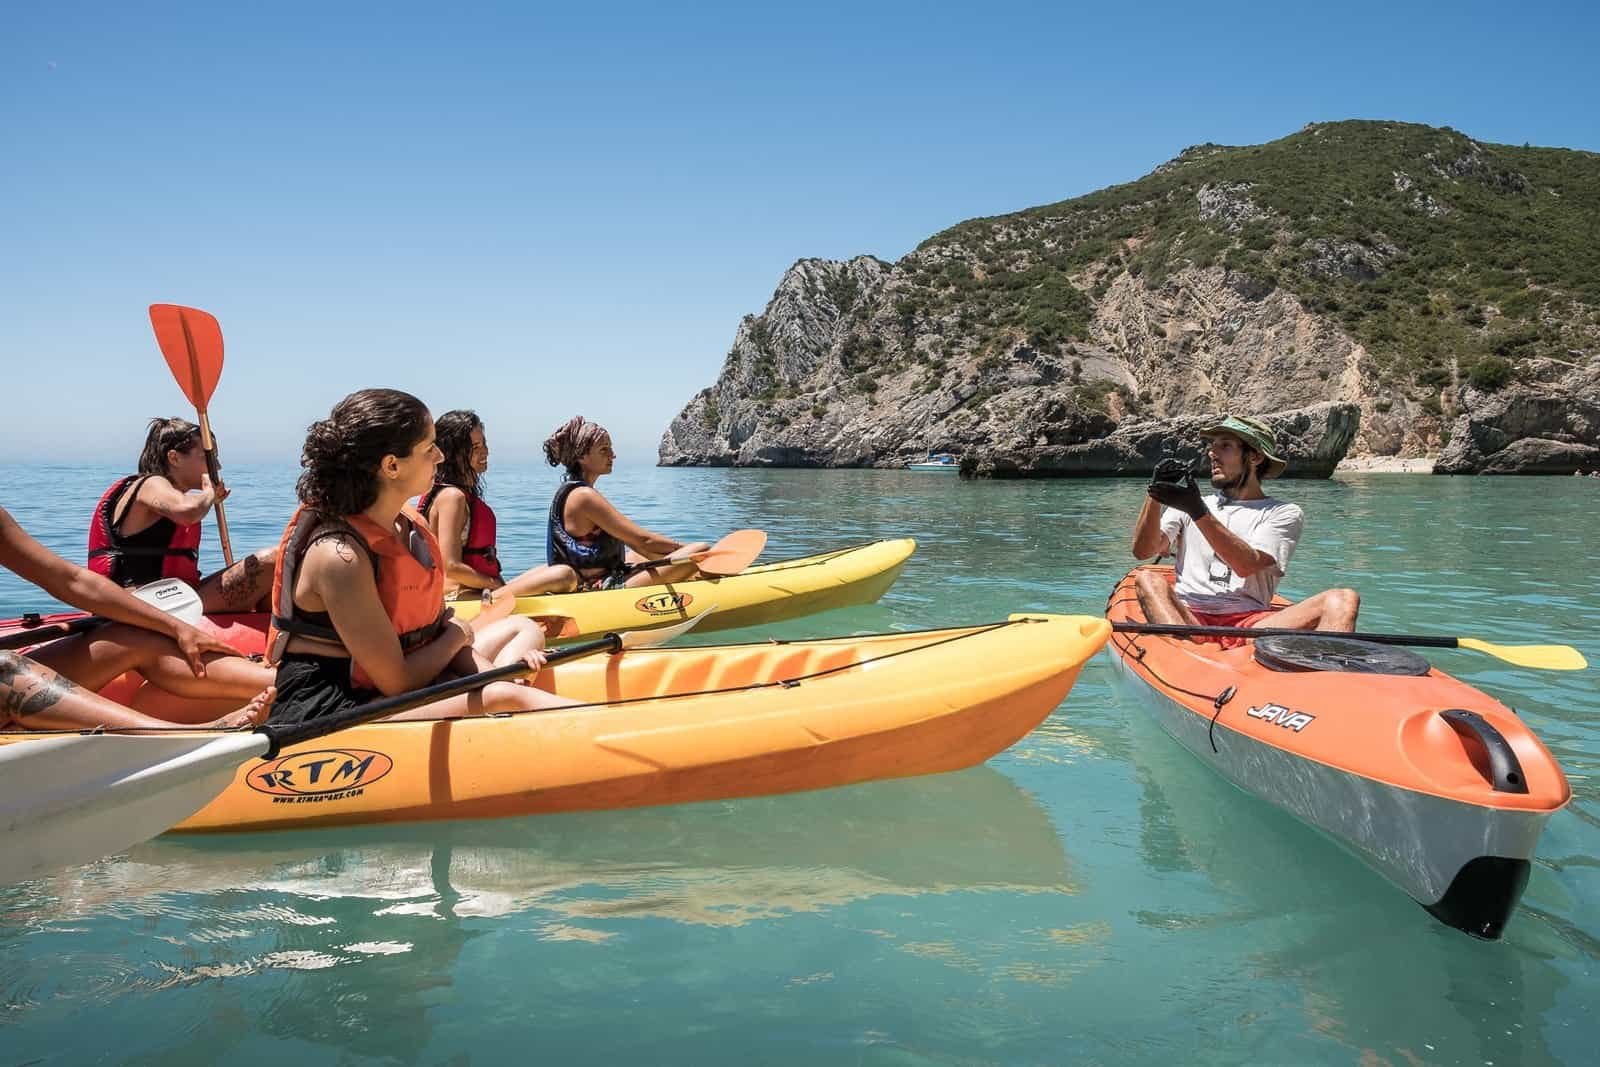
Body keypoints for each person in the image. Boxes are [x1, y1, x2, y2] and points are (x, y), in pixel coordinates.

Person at [267, 389, 576, 725]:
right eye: (429, 448)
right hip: (337, 707)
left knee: (519, 630)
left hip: (409, 676)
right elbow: (397, 681)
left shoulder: (406, 528)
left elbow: (438, 636)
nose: (441, 456)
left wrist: (489, 672)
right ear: (392, 465)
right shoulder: (339, 557)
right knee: (505, 697)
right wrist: (462, 640)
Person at [1, 505, 274, 731]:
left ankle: (287, 684)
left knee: (135, 636)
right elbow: (184, 507)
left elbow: (72, 581)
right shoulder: (154, 487)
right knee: (6, 669)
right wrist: (206, 493)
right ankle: (194, 733)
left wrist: (175, 627)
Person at [1130, 414, 1359, 647]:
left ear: (1255, 457)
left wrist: (1196, 509)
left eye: (1225, 446)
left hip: (1250, 624)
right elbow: (1143, 551)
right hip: (1189, 617)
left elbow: (1246, 564)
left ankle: (1330, 673)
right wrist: (1156, 494)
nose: (1212, 453)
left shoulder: (1283, 513)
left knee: (1343, 599)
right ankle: (1186, 656)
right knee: (1147, 579)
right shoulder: (1191, 504)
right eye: (1212, 447)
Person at [87, 417, 278, 613]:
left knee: (271, 586)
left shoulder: (171, 494)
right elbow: (188, 512)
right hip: (140, 603)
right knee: (272, 560)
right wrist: (209, 493)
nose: (217, 467)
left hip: (171, 597)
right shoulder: (151, 485)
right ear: (174, 458)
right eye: (209, 459)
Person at [418, 410, 576, 616]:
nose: (484, 452)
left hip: (477, 590)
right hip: (456, 598)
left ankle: (506, 595)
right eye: (475, 447)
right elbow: (450, 566)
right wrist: (493, 583)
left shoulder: (453, 493)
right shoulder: (452, 497)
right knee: (564, 575)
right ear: (453, 453)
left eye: (484, 444)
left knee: (550, 569)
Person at [543, 415, 708, 589]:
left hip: (607, 576)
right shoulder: (584, 496)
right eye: (604, 449)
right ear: (582, 456)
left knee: (639, 557)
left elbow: (640, 546)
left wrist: (672, 557)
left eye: (611, 448)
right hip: (599, 588)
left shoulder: (576, 491)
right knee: (700, 549)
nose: (612, 455)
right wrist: (686, 549)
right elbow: (644, 540)